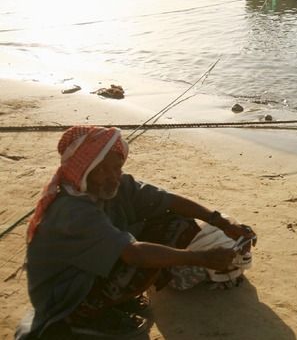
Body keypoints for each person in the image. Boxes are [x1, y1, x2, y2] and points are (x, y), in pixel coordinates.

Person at [15, 126, 257, 339]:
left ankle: (113, 300)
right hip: (65, 297)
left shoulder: (117, 184)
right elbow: (134, 254)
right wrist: (201, 258)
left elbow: (168, 200)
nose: (113, 176)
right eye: (103, 170)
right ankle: (85, 316)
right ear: (84, 170)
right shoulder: (72, 210)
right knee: (144, 259)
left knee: (176, 222)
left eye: (117, 167)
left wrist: (221, 222)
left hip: (91, 271)